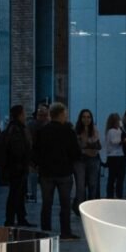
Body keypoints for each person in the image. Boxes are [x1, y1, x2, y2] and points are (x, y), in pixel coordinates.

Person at [33, 102, 81, 240]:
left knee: (46, 204)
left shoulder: (42, 131)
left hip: (46, 173)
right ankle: (65, 232)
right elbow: (76, 153)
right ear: (61, 114)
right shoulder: (68, 131)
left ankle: (45, 231)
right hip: (64, 172)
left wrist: (39, 164)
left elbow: (35, 151)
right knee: (65, 204)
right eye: (65, 114)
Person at [0, 104, 32, 227]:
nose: (25, 116)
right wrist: (23, 162)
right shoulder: (16, 129)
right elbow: (17, 150)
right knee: (15, 194)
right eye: (23, 113)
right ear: (20, 115)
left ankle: (19, 218)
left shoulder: (13, 128)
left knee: (18, 194)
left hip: (17, 167)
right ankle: (11, 220)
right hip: (17, 168)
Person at [73, 109, 101, 215]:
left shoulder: (94, 129)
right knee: (80, 186)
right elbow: (80, 146)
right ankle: (80, 209)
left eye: (88, 117)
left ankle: (91, 210)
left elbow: (94, 144)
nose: (86, 119)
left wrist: (86, 146)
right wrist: (86, 146)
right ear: (80, 118)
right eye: (84, 117)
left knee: (93, 185)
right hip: (80, 160)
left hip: (93, 159)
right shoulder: (76, 130)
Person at [103, 113, 126, 199]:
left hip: (120, 156)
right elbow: (114, 141)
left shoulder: (120, 130)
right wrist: (124, 141)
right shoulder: (111, 131)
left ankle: (119, 195)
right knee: (112, 178)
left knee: (120, 179)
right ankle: (110, 196)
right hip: (113, 157)